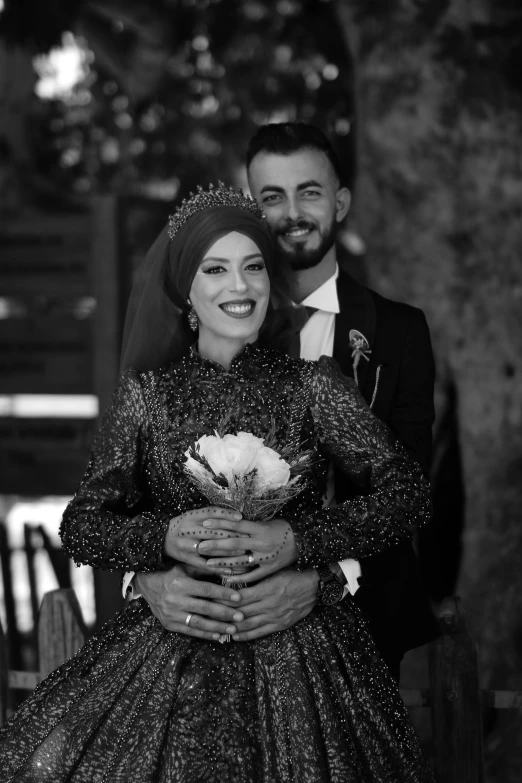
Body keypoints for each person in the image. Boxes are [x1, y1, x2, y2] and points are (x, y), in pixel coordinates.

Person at [0, 186, 434, 782]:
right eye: (217, 269)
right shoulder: (146, 399)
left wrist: (299, 541)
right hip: (172, 648)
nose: (241, 286)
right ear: (186, 291)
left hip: (300, 649)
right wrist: (163, 543)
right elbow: (82, 522)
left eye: (254, 266)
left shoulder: (313, 387)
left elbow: (407, 494)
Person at [132, 123, 440, 681]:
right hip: (211, 635)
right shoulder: (210, 328)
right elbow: (138, 486)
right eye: (272, 196)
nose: (292, 212)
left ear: (341, 202)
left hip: (365, 621)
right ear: (252, 209)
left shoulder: (399, 332)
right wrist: (148, 579)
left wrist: (324, 576)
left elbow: (409, 482)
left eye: (310, 192)